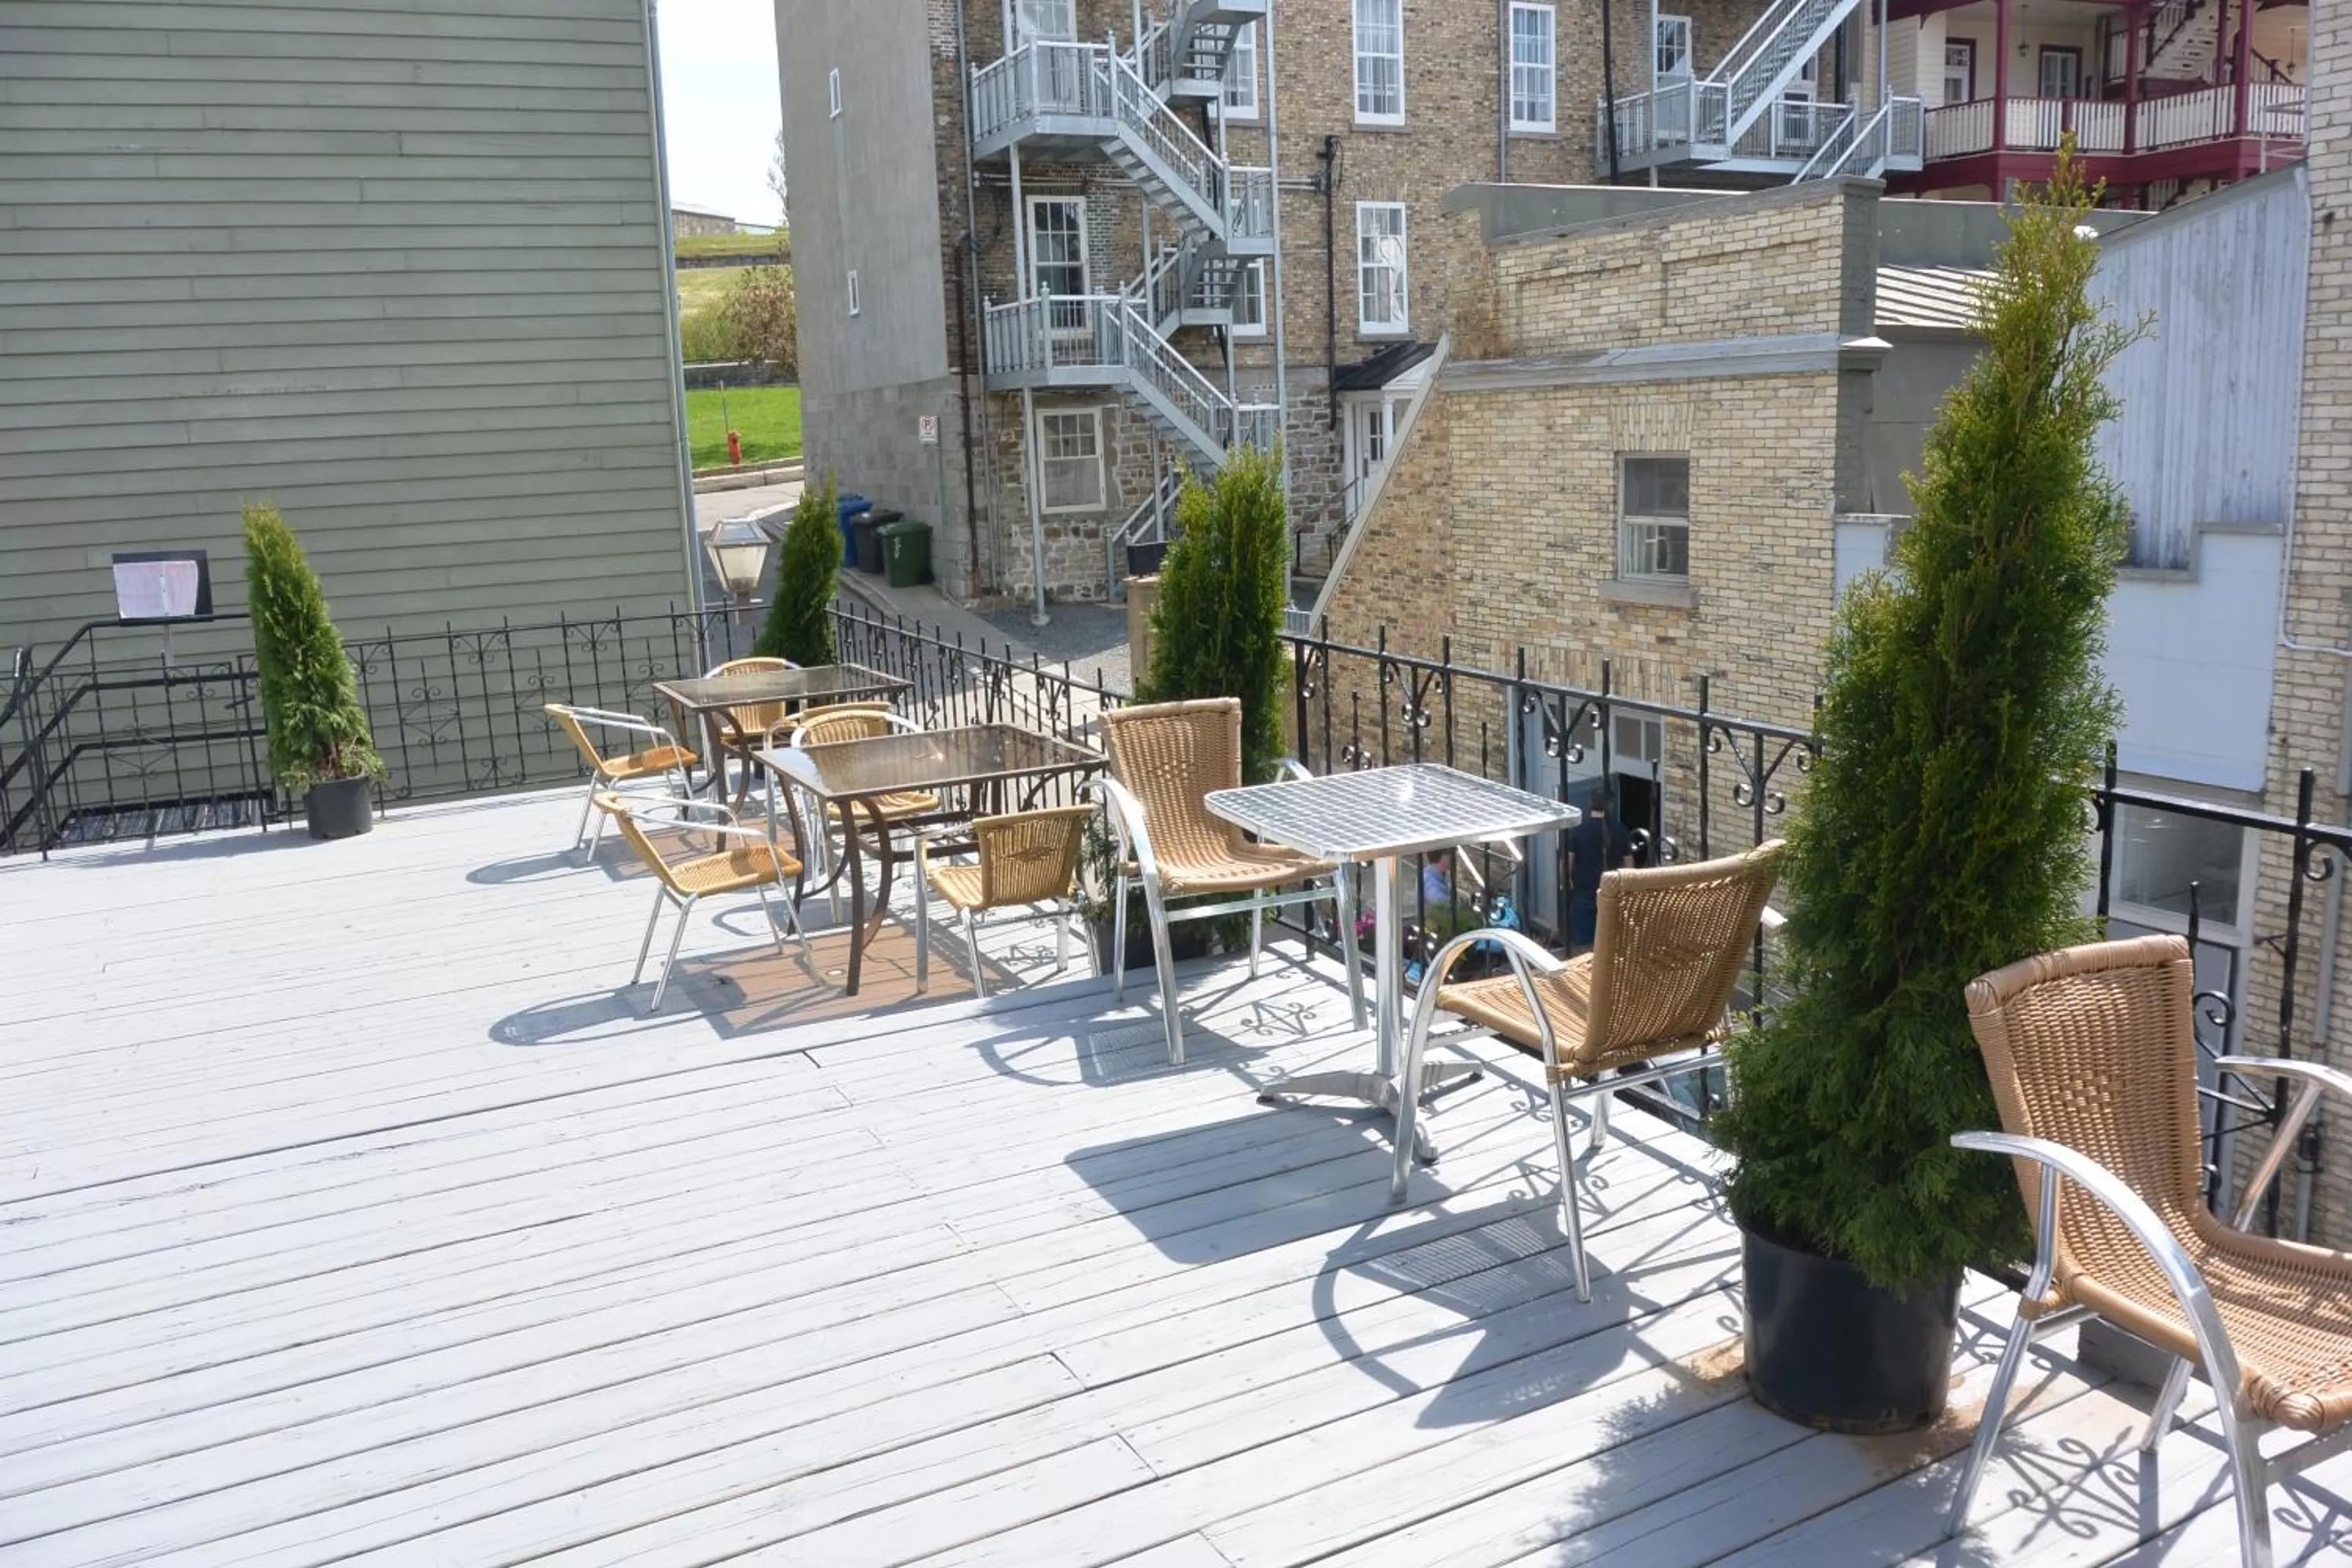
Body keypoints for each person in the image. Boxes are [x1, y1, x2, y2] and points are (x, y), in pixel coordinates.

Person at [1564, 782, 1633, 953]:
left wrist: (1567, 884)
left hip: (1585, 893)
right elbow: (1629, 865)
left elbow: (1568, 862)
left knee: (1584, 947)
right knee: (1612, 945)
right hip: (1612, 892)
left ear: (1591, 804)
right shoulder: (1620, 830)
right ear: (1610, 805)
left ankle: (1587, 977)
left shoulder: (1578, 830)